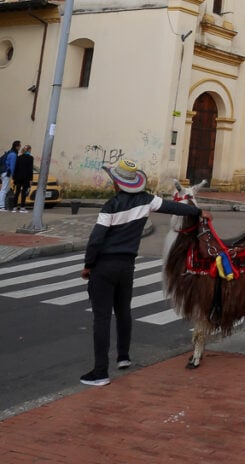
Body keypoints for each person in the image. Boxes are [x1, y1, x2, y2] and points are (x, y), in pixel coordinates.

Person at [80, 158, 202, 387]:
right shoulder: (147, 200)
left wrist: (88, 265)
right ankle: (123, 357)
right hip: (127, 267)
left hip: (104, 266)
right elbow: (173, 207)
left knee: (102, 318)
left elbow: (96, 240)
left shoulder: (110, 206)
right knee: (124, 311)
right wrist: (199, 211)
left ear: (116, 184)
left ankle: (100, 372)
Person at [0, 140, 21, 211]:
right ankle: (1, 206)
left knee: (6, 189)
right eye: (19, 146)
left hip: (4, 172)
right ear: (17, 146)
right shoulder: (13, 154)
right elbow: (12, 166)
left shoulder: (10, 152)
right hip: (7, 173)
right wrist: (13, 175)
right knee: (4, 189)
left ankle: (3, 205)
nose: (20, 147)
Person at [12, 145, 34, 212]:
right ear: (29, 150)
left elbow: (16, 168)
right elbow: (30, 169)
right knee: (24, 192)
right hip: (26, 178)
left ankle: (14, 207)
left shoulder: (19, 157)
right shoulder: (30, 158)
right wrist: (31, 179)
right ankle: (22, 207)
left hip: (18, 177)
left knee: (17, 192)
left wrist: (14, 178)